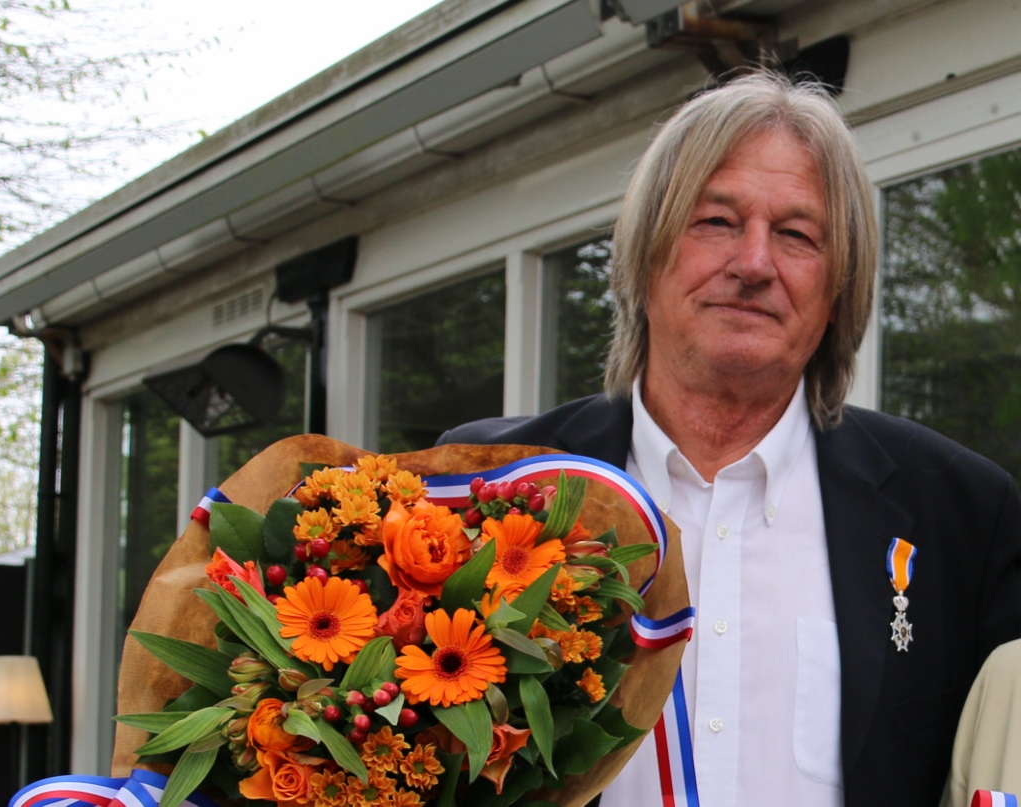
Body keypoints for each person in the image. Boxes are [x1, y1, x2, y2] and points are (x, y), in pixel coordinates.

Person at [438, 72, 1021, 807]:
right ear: (646, 254)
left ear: (839, 291)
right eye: (716, 221)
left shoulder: (960, 517)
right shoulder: (483, 489)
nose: (753, 264)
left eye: (796, 235)